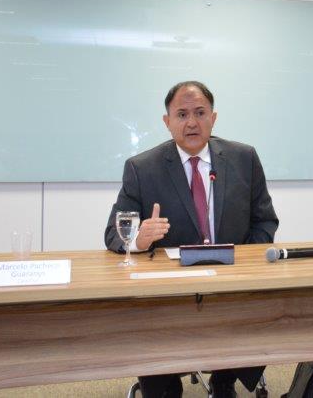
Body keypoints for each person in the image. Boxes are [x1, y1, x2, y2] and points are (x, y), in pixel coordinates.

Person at [105, 81, 279, 398]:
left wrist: (244, 261)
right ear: (167, 121)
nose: (192, 122)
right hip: (169, 290)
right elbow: (113, 234)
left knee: (262, 309)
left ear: (213, 117)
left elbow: (265, 220)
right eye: (182, 114)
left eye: (200, 113)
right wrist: (140, 240)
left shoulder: (244, 159)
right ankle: (165, 383)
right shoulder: (142, 169)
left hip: (231, 283)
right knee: (152, 328)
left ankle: (225, 379)